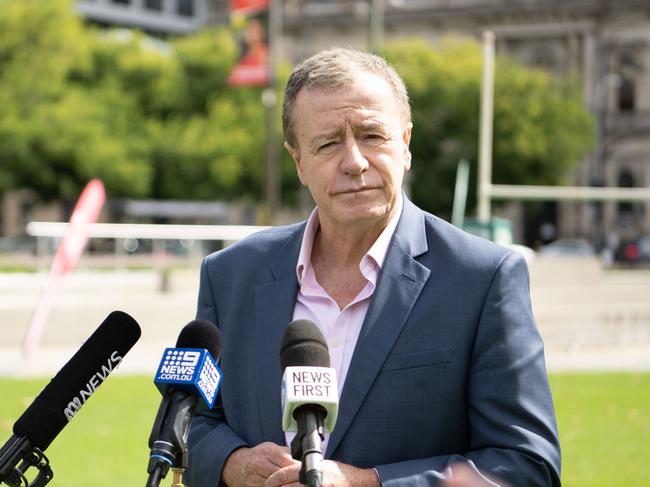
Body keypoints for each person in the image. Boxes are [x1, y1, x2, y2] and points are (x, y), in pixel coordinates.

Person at [186, 48, 561, 487]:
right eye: (328, 143)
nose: (354, 162)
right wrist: (233, 463)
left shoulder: (484, 278)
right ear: (298, 162)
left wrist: (367, 482)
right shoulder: (230, 274)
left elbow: (526, 464)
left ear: (404, 144)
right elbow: (191, 421)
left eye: (371, 136)